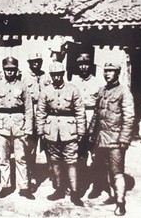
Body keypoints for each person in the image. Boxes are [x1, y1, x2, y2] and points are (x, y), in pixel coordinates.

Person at [36, 62, 86, 206]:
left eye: (59, 74)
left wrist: (81, 130)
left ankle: (75, 193)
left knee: (71, 161)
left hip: (69, 130)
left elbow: (80, 112)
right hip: (51, 130)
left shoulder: (72, 89)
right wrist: (40, 130)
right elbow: (41, 113)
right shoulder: (45, 91)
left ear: (63, 74)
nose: (56, 77)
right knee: (55, 161)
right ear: (51, 76)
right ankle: (59, 189)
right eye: (53, 75)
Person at [88, 62, 135, 216]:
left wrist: (124, 139)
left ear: (117, 73)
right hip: (100, 138)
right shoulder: (102, 90)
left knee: (116, 172)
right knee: (100, 167)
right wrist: (90, 133)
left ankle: (120, 202)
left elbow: (129, 118)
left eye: (111, 71)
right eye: (106, 71)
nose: (107, 74)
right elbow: (96, 114)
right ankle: (105, 192)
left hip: (115, 140)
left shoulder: (124, 92)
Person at [0, 57, 34, 199]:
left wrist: (28, 128)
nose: (9, 72)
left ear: (16, 70)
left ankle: (24, 187)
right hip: (2, 125)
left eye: (12, 70)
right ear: (3, 70)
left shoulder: (22, 86)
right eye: (7, 70)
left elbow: (28, 108)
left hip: (19, 124)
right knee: (3, 157)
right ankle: (6, 186)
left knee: (21, 157)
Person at [70, 53, 104, 196]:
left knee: (96, 154)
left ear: (91, 66)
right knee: (79, 154)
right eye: (80, 65)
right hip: (78, 121)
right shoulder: (73, 82)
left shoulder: (98, 83)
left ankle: (97, 186)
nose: (83, 67)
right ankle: (80, 185)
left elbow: (101, 105)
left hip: (93, 119)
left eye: (86, 64)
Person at [22, 52, 51, 188]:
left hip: (45, 113)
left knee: (49, 144)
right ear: (29, 63)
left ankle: (54, 175)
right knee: (30, 147)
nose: (36, 64)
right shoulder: (24, 77)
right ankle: (31, 176)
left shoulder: (46, 76)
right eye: (33, 61)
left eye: (38, 61)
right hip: (31, 112)